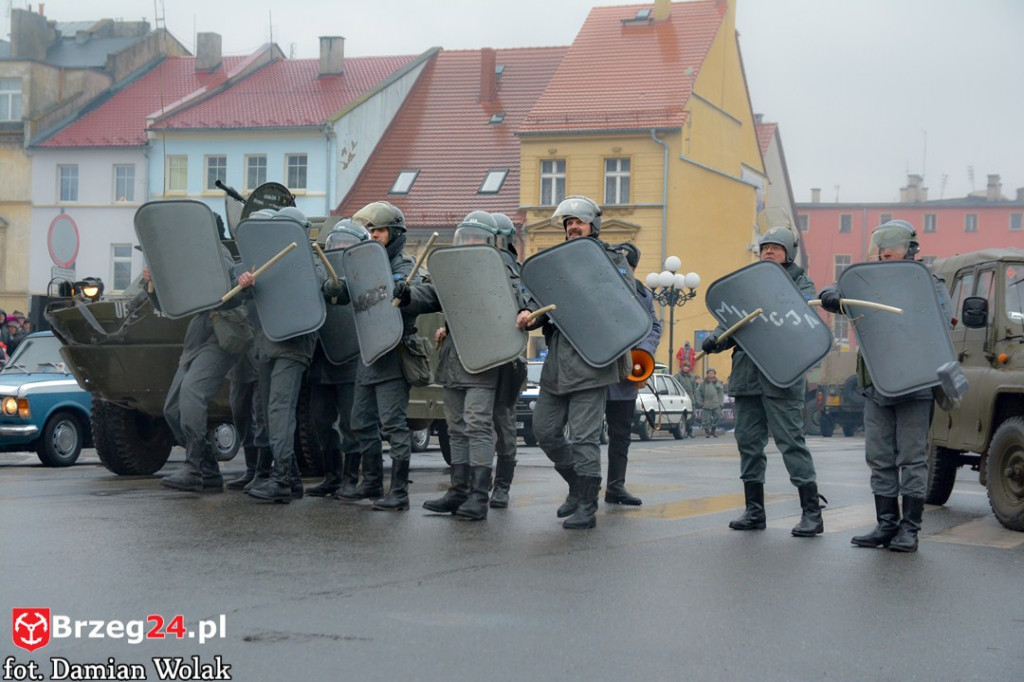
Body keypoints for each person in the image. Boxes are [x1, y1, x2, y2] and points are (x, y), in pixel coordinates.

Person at [819, 219, 953, 552]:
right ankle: (886, 524)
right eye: (880, 250)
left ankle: (910, 528)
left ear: (910, 251)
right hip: (877, 383)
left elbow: (941, 324)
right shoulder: (869, 282)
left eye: (891, 250)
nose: (883, 255)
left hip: (915, 382)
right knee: (879, 457)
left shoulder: (928, 284)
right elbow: (842, 290)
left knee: (912, 458)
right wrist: (831, 295)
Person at [396, 211, 524, 519]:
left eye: (476, 238)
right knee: (455, 427)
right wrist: (409, 295)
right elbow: (432, 294)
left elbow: (519, 303)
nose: (469, 242)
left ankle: (479, 496)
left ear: (491, 242)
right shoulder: (455, 272)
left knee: (477, 424)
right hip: (454, 359)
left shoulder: (504, 272)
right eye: (466, 237)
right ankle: (459, 491)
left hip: (484, 358)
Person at [515, 195, 631, 530]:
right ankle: (577, 486)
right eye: (568, 223)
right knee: (545, 431)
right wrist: (529, 313)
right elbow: (538, 299)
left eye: (578, 222)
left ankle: (587, 505)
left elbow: (625, 298)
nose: (573, 228)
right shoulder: (556, 262)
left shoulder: (613, 259)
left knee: (584, 438)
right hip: (558, 361)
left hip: (592, 360)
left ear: (593, 225)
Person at [701, 226, 825, 537]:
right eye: (764, 247)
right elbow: (732, 319)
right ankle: (754, 510)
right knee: (748, 443)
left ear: (788, 253)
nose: (768, 251)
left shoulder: (800, 282)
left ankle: (811, 512)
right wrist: (716, 338)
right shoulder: (749, 283)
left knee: (790, 442)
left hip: (782, 374)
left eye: (775, 247)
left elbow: (806, 315)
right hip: (747, 375)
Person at [143, 229, 250, 494]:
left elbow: (232, 291)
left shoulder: (217, 254)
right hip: (197, 336)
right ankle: (208, 468)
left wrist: (243, 283)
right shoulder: (184, 260)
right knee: (172, 408)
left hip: (221, 333)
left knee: (193, 393)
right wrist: (152, 286)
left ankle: (193, 468)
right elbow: (169, 304)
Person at [245, 208, 340, 504]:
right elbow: (250, 296)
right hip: (268, 343)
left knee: (279, 410)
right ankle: (292, 479)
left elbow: (324, 287)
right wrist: (246, 283)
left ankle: (283, 479)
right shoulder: (269, 260)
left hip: (294, 344)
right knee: (268, 412)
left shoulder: (312, 261)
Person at [334, 201, 421, 511]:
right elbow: (351, 288)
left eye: (380, 231)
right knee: (360, 421)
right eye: (370, 231)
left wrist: (404, 292)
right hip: (369, 352)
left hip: (394, 352)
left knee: (394, 425)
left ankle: (399, 491)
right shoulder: (365, 262)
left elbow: (411, 291)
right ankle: (371, 481)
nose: (373, 236)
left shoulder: (404, 265)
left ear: (394, 234)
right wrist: (334, 288)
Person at [603, 241, 661, 506]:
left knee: (620, 436)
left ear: (634, 267)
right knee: (585, 435)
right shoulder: (598, 287)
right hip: (593, 372)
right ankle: (582, 489)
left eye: (627, 265)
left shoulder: (642, 293)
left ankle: (615, 487)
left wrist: (643, 354)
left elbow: (653, 327)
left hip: (625, 375)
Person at [488, 212, 527, 509]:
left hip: (507, 357)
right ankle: (471, 484)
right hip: (476, 354)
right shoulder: (474, 267)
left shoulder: (519, 273)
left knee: (503, 422)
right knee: (471, 424)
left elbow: (526, 305)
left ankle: (502, 486)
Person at [694, 368, 724, 437]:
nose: (711, 374)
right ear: (707, 374)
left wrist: (721, 403)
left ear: (714, 374)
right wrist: (700, 401)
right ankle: (707, 432)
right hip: (706, 403)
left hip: (716, 403)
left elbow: (720, 394)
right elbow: (698, 393)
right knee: (706, 419)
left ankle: (713, 431)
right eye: (709, 373)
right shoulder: (703, 383)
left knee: (717, 417)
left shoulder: (717, 382)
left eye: (712, 373)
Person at [672, 362, 697, 437]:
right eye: (685, 366)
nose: (686, 368)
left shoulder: (691, 377)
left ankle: (690, 429)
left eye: (687, 367)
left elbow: (694, 389)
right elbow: (674, 385)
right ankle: (685, 430)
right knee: (684, 415)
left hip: (690, 397)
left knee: (692, 415)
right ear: (682, 367)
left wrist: (696, 398)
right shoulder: (678, 376)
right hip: (682, 397)